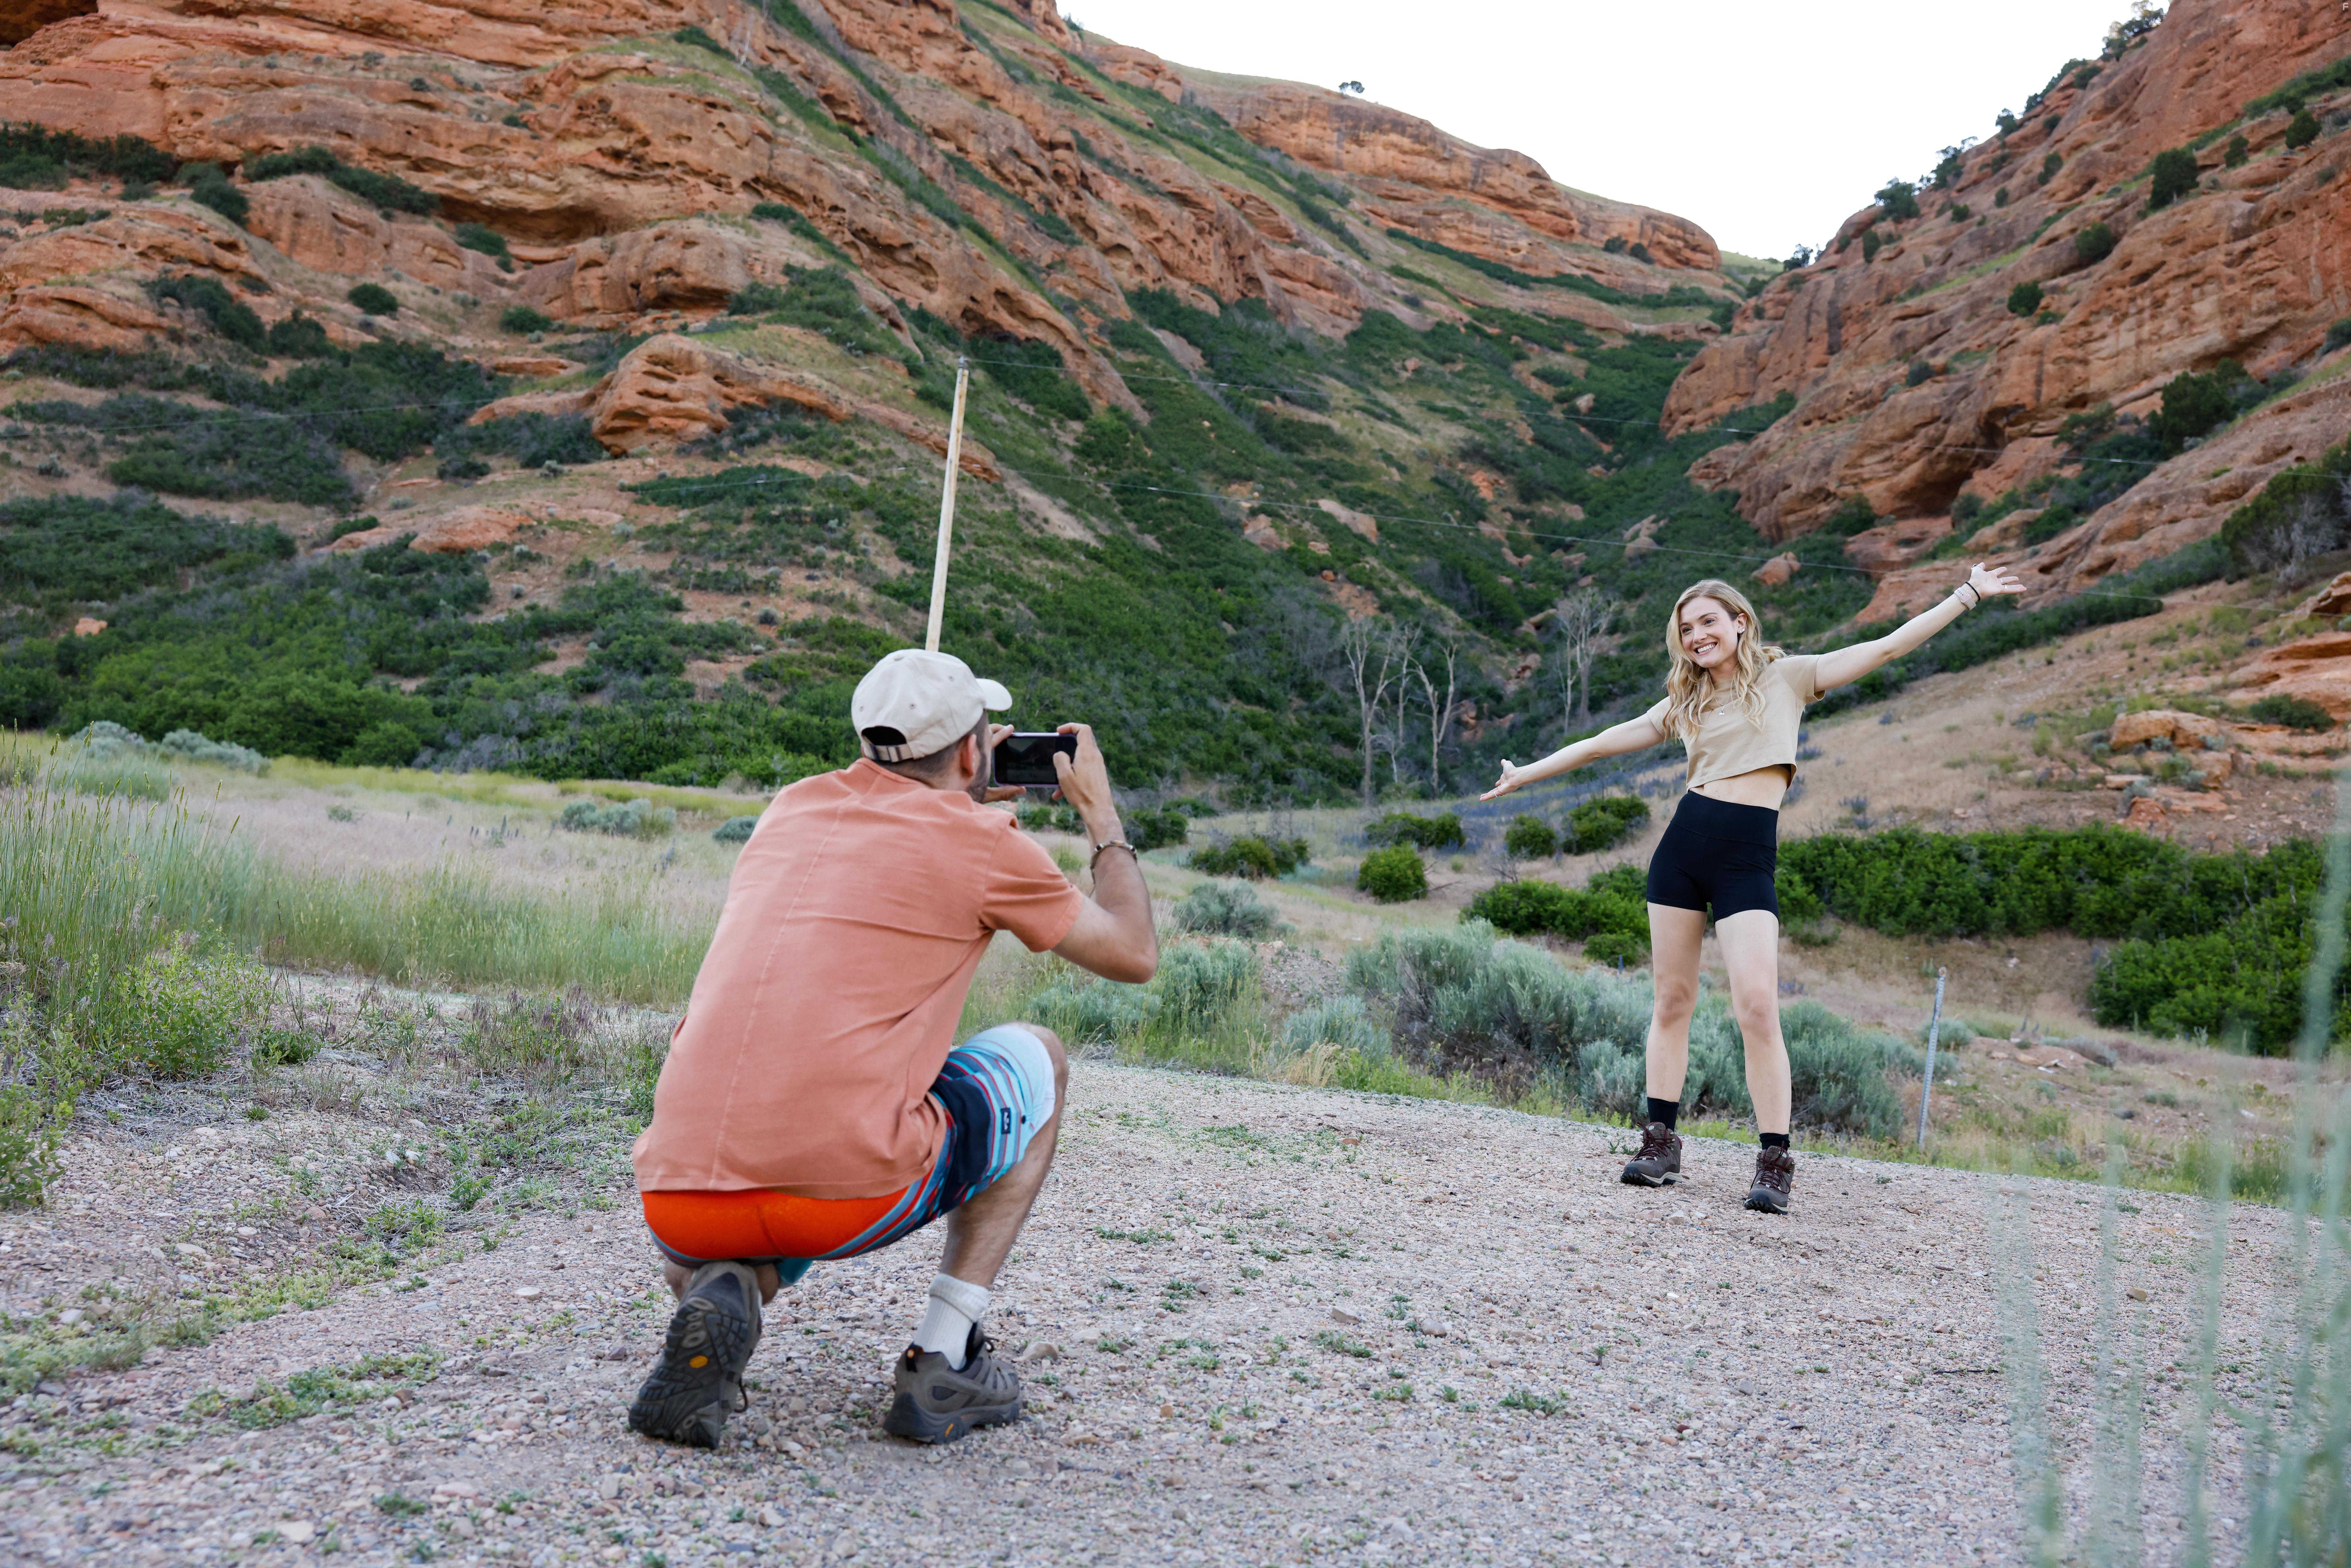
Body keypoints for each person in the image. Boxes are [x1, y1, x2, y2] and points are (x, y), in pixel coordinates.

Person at [627, 648, 1156, 1447]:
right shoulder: (986, 843)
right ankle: (945, 1359)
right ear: (975, 750)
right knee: (1040, 1055)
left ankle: (724, 1283)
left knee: (791, 1099)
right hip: (843, 1197)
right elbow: (1133, 953)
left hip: (680, 1202)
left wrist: (959, 786)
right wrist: (1103, 819)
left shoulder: (790, 809)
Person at [1483, 564, 2022, 1211]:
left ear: (1740, 621)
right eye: (1686, 629)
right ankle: (1660, 1142)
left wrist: (1965, 596)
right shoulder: (1685, 700)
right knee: (1671, 1000)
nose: (1697, 636)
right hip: (1681, 850)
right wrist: (1526, 775)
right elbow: (1602, 742)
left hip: (1746, 857)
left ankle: (1773, 1158)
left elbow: (1884, 648)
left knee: (1758, 1008)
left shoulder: (1788, 677)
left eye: (1708, 621)